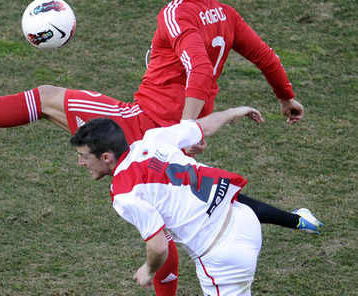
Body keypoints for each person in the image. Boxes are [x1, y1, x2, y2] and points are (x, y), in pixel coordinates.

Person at [0, 0, 319, 296]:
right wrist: (286, 97)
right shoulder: (223, 14)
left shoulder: (175, 14)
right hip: (169, 135)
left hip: (142, 124)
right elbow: (263, 55)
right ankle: (297, 222)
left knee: (46, 98)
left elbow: (200, 69)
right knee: (173, 222)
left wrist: (187, 126)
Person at [68, 110, 303, 295]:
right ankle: (302, 220)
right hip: (244, 218)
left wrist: (148, 271)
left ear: (106, 157)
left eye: (84, 156)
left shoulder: (124, 193)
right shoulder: (154, 138)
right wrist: (235, 110)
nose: (80, 163)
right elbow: (206, 127)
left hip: (222, 256)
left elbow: (159, 246)